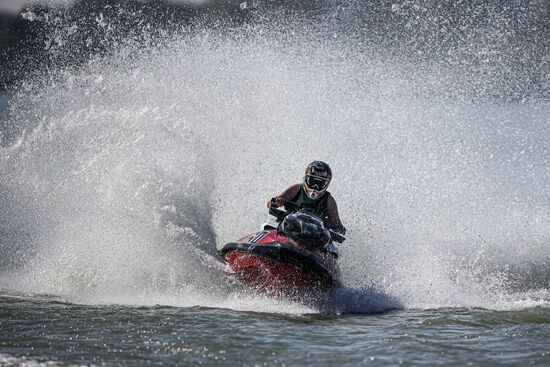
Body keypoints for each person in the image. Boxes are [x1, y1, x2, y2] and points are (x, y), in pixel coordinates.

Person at [267, 161, 346, 235]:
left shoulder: (329, 200)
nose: (315, 186)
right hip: (289, 229)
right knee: (268, 226)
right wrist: (277, 201)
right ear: (306, 179)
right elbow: (270, 204)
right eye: (312, 181)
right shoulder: (296, 189)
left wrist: (331, 224)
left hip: (314, 237)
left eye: (320, 183)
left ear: (326, 184)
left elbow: (339, 228)